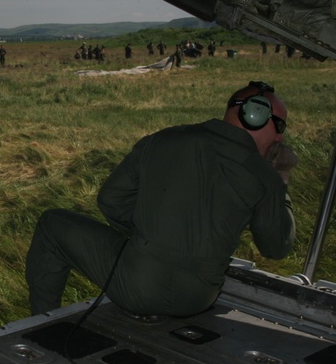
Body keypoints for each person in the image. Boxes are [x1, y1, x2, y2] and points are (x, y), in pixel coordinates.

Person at [25, 81, 297, 317]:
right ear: (256, 115)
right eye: (280, 125)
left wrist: (155, 233)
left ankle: (42, 322)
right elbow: (276, 247)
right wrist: (281, 179)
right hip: (199, 298)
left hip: (137, 286)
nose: (281, 136)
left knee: (52, 223)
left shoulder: (163, 140)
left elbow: (110, 200)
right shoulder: (266, 177)